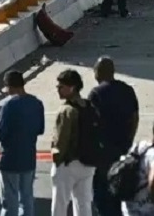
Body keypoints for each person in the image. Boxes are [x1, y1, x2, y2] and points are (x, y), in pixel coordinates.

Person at [89, 57, 140, 216]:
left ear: (98, 72)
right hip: (123, 148)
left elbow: (91, 123)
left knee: (103, 196)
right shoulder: (127, 90)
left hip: (104, 152)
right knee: (121, 192)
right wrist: (129, 139)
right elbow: (135, 117)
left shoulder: (96, 93)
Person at [51, 69, 100, 216]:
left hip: (68, 163)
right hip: (88, 163)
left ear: (72, 87)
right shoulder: (90, 106)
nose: (58, 89)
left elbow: (61, 141)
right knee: (83, 205)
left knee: (60, 205)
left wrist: (57, 160)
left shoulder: (66, 110)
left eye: (61, 86)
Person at [0, 69, 46, 216]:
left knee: (9, 200)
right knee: (27, 198)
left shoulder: (8, 105)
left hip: (9, 158)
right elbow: (40, 129)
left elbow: (1, 134)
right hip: (28, 157)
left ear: (9, 86)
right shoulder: (37, 103)